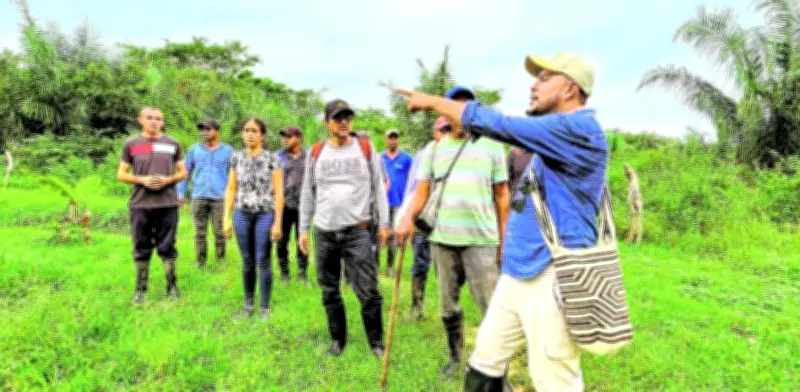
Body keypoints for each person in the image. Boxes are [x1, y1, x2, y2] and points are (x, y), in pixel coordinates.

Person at [395, 51, 607, 391]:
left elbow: (501, 126)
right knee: (484, 365)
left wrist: (434, 102)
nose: (533, 85)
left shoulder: (579, 130)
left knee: (555, 379)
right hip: (518, 273)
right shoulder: (550, 139)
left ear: (569, 88)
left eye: (544, 78)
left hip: (553, 275)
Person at [395, 86, 510, 377]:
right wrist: (408, 219)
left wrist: (504, 238)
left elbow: (502, 196)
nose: (458, 111)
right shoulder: (435, 149)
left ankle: (497, 373)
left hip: (481, 240)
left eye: (465, 106)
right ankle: (455, 357)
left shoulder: (493, 147)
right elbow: (421, 192)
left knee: (492, 311)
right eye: (453, 105)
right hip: (443, 240)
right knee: (448, 307)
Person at [299, 99, 390, 358]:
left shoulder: (365, 148)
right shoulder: (316, 152)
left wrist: (384, 223)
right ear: (327, 123)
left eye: (347, 117)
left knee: (368, 290)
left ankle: (376, 343)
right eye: (338, 118)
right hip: (324, 232)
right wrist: (303, 229)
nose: (343, 122)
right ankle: (338, 340)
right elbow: (308, 191)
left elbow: (378, 187)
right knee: (329, 290)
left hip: (358, 232)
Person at [117, 106, 188, 303]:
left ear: (163, 121)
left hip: (167, 204)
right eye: (149, 118)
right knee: (141, 245)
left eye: (158, 118)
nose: (154, 121)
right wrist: (142, 180)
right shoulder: (131, 144)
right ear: (140, 120)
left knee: (168, 246)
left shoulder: (173, 143)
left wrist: (168, 180)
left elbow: (183, 172)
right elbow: (121, 174)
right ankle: (140, 289)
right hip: (140, 204)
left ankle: (172, 286)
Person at [223, 118, 284, 321]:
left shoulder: (272, 159)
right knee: (247, 261)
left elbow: (279, 194)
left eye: (254, 131)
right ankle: (248, 305)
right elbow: (231, 188)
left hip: (265, 214)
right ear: (242, 134)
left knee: (263, 260)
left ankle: (264, 308)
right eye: (246, 130)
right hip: (242, 213)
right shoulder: (236, 158)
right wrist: (226, 217)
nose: (250, 134)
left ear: (262, 136)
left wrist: (278, 223)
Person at [395, 115, 451, 322]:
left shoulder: (459, 153)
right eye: (441, 130)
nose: (444, 134)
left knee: (444, 267)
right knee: (420, 263)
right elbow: (412, 187)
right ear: (434, 133)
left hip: (447, 218)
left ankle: (448, 311)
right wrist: (405, 217)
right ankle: (416, 308)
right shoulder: (423, 154)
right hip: (423, 217)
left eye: (448, 130)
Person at [177, 119, 234, 268]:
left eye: (208, 129)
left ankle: (221, 260)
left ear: (217, 132)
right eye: (202, 129)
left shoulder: (228, 151)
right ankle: (200, 261)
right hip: (199, 195)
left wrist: (234, 197)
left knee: (220, 231)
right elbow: (186, 172)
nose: (204, 132)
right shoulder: (194, 150)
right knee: (199, 232)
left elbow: (234, 175)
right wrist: (180, 193)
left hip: (220, 197)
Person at [276, 126, 310, 285]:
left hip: (304, 206)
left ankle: (302, 274)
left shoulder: (309, 156)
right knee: (282, 241)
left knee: (302, 239)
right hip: (285, 206)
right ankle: (284, 273)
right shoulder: (278, 157)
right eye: (284, 137)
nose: (285, 139)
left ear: (298, 138)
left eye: (288, 137)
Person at [380, 128, 413, 277]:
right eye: (390, 138)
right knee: (379, 234)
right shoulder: (380, 158)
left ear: (398, 140)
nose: (393, 140)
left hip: (398, 203)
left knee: (393, 235)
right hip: (381, 203)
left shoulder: (407, 159)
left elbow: (413, 181)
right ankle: (374, 266)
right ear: (386, 140)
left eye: (395, 138)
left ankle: (390, 266)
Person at [625, 164, 643, 244]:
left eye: (628, 170)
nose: (627, 172)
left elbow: (635, 192)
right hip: (636, 202)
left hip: (636, 202)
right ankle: (632, 239)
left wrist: (633, 204)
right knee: (634, 221)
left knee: (636, 221)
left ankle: (633, 240)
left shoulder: (633, 179)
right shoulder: (632, 178)